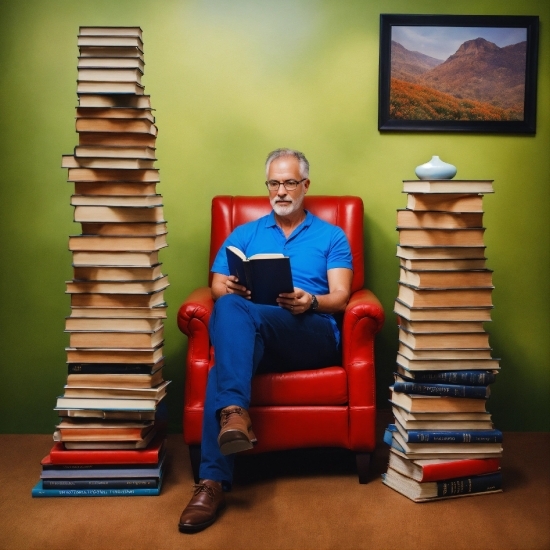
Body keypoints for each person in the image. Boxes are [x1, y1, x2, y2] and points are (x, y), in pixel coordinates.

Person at [178, 148, 353, 533]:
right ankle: (213, 479)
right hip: (255, 333)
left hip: (309, 332)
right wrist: (234, 288)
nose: (282, 191)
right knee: (227, 314)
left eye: (290, 182)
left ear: (305, 185)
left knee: (231, 324)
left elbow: (341, 296)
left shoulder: (331, 235)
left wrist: (312, 301)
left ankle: (221, 446)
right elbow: (215, 285)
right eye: (274, 183)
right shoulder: (245, 233)